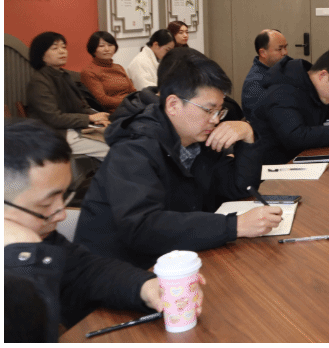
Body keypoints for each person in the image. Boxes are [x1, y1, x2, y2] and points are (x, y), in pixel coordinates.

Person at [74, 48, 281, 269]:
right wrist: (235, 225)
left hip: (177, 260)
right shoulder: (135, 147)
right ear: (173, 105)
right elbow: (142, 227)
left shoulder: (197, 138)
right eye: (208, 110)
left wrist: (247, 137)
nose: (215, 120)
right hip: (120, 271)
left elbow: (237, 188)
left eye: (219, 112)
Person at [3, 120, 196, 342]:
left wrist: (145, 285)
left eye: (64, 195)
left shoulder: (41, 235)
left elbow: (85, 270)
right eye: (46, 204)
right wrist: (22, 261)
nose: (61, 214)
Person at [255, 50, 329, 164]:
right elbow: (295, 136)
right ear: (322, 75)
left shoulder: (307, 84)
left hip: (300, 156)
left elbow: (324, 110)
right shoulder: (282, 91)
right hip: (276, 166)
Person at [25, 32, 111, 159]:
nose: (62, 51)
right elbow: (54, 118)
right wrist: (90, 118)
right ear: (41, 55)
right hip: (52, 134)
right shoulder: (39, 82)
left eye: (64, 47)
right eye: (55, 48)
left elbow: (81, 106)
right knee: (112, 149)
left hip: (71, 129)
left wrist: (99, 117)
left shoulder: (63, 75)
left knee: (119, 140)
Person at [242, 29, 288, 130]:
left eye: (285, 47)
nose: (285, 52)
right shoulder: (255, 84)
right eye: (279, 49)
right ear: (263, 53)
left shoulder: (281, 69)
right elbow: (263, 123)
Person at [80, 31, 136, 112]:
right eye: (101, 46)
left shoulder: (119, 67)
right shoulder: (89, 72)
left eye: (110, 45)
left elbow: (132, 91)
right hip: (114, 112)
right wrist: (129, 102)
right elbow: (103, 101)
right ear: (93, 49)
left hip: (132, 106)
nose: (107, 49)